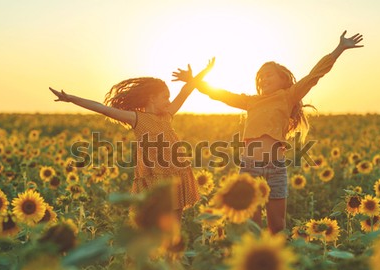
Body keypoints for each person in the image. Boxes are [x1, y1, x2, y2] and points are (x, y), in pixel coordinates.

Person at [174, 31, 363, 233]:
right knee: (252, 225)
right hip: (250, 167)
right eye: (260, 77)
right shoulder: (251, 101)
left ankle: (279, 259)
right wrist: (194, 81)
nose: (263, 79)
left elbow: (315, 75)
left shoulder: (288, 96)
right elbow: (220, 95)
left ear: (282, 79)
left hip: (276, 168)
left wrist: (339, 49)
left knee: (277, 225)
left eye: (268, 75)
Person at [49, 59, 214, 223]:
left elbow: (187, 90)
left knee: (175, 223)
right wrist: (70, 98)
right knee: (156, 223)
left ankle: (172, 249)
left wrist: (204, 71)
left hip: (176, 172)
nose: (169, 101)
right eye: (165, 97)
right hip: (155, 176)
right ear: (151, 98)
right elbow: (101, 108)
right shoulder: (137, 118)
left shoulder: (167, 115)